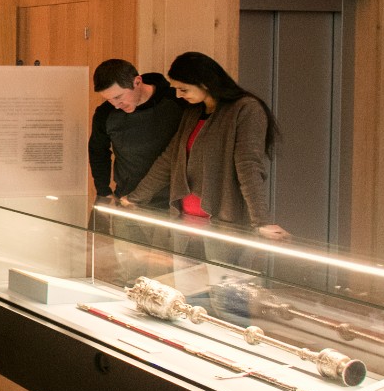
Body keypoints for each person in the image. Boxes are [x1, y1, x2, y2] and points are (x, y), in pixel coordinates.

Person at [121, 51, 291, 246]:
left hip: (223, 226)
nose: (178, 95)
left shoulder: (245, 109)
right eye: (176, 89)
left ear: (204, 83)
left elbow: (249, 167)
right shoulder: (193, 112)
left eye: (183, 89)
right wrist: (135, 198)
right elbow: (169, 159)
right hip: (184, 222)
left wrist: (261, 221)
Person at [88, 59, 185, 280]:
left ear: (137, 81)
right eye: (109, 99)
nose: (115, 104)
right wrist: (103, 190)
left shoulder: (175, 104)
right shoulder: (106, 113)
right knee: (131, 274)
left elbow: (177, 156)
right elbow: (98, 151)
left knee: (167, 277)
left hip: (170, 206)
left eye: (119, 97)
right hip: (127, 201)